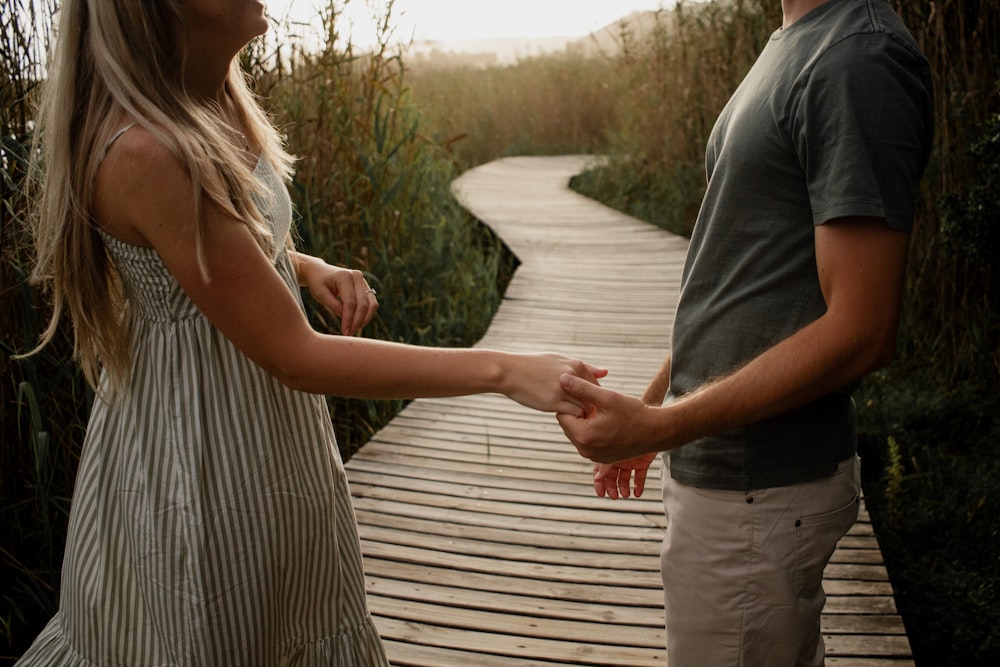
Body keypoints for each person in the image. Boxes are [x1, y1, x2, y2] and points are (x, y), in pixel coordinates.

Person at [15, 1, 603, 665]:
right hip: (203, 457)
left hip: (268, 441)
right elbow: (295, 356)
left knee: (291, 620)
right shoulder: (146, 151)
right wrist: (505, 371)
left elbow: (209, 254)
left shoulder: (215, 101)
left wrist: (302, 265)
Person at [556, 0, 934, 664]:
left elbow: (862, 328)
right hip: (725, 475)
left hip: (759, 487)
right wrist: (651, 410)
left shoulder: (857, 57)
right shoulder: (795, 39)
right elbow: (736, 271)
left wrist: (661, 427)